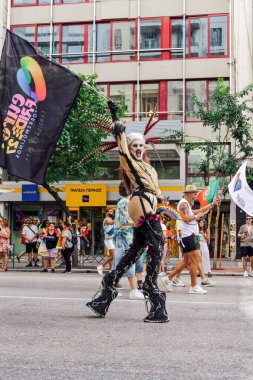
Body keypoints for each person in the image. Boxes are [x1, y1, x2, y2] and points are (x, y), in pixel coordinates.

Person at [86, 101, 168, 323]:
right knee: (156, 248)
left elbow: (156, 191)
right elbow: (121, 146)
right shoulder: (128, 161)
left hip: (147, 205)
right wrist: (116, 120)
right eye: (135, 146)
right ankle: (154, 296)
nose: (138, 149)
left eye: (141, 146)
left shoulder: (149, 168)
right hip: (141, 204)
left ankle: (106, 291)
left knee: (135, 250)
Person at [161, 185, 218, 294]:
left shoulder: (186, 204)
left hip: (189, 236)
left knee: (188, 260)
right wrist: (197, 217)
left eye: (195, 193)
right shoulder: (183, 204)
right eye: (193, 194)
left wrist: (211, 205)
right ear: (187, 194)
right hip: (187, 236)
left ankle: (168, 278)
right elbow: (186, 219)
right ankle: (193, 286)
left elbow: (199, 210)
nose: (195, 196)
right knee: (195, 260)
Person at [112, 182, 144, 300]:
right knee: (129, 262)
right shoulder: (125, 202)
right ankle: (133, 290)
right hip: (125, 237)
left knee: (118, 264)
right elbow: (125, 221)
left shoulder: (123, 201)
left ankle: (110, 287)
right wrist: (140, 223)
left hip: (122, 236)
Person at [97, 208, 115, 276]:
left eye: (112, 211)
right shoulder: (107, 219)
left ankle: (111, 270)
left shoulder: (111, 219)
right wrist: (120, 218)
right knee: (113, 255)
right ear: (107, 213)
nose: (112, 212)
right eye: (110, 211)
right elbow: (111, 222)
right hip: (108, 240)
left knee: (111, 256)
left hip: (111, 239)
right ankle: (101, 266)